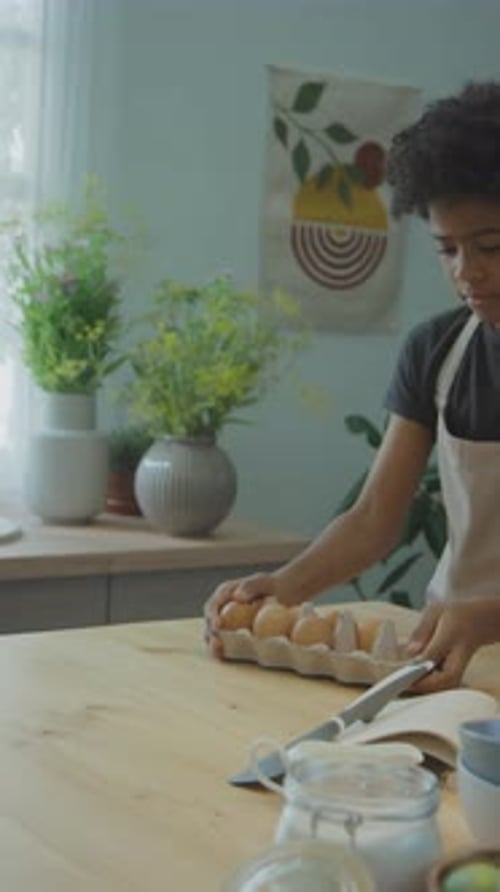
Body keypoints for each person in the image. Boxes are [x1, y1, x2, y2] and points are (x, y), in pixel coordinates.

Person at [204, 80, 500, 692]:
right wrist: (283, 588)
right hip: (444, 664)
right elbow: (372, 518)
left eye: (490, 247)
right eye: (447, 250)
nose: (466, 272)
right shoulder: (437, 352)